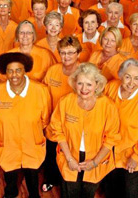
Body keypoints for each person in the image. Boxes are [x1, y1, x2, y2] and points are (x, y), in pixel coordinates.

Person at [47, 62, 120, 198]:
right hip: (69, 155)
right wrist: (69, 159)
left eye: (89, 84)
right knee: (69, 192)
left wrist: (95, 162)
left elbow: (111, 139)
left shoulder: (108, 106)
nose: (83, 89)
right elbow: (57, 131)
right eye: (80, 83)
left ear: (97, 85)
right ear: (74, 83)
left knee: (88, 192)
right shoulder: (65, 102)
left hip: (96, 158)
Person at [0, 52, 51, 198]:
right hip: (8, 142)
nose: (14, 75)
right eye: (10, 71)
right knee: (9, 175)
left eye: (18, 70)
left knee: (32, 174)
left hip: (32, 142)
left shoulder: (40, 91)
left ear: (25, 70)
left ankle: (33, 194)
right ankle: (10, 192)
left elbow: (45, 119)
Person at [103, 59, 138, 198]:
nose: (131, 82)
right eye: (127, 77)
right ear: (120, 75)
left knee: (130, 193)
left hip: (132, 156)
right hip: (110, 153)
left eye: (136, 78)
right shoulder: (110, 88)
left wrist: (136, 157)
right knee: (111, 190)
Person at [41, 35, 82, 192]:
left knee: (70, 155)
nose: (67, 56)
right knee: (51, 154)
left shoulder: (83, 72)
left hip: (74, 124)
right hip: (53, 122)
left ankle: (72, 183)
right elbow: (44, 96)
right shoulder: (53, 70)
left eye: (71, 52)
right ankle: (51, 178)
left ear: (78, 53)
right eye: (63, 52)